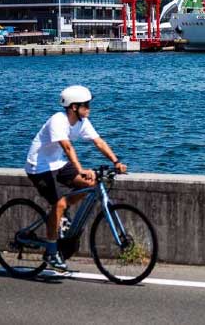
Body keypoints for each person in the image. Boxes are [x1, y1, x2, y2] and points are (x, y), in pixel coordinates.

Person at [25, 85, 126, 271]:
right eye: (85, 105)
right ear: (73, 107)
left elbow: (99, 141)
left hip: (57, 164)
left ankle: (61, 217)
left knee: (91, 183)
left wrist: (116, 161)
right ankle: (52, 252)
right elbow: (67, 147)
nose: (89, 108)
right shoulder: (58, 120)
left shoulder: (82, 122)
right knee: (60, 204)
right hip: (38, 167)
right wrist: (79, 170)